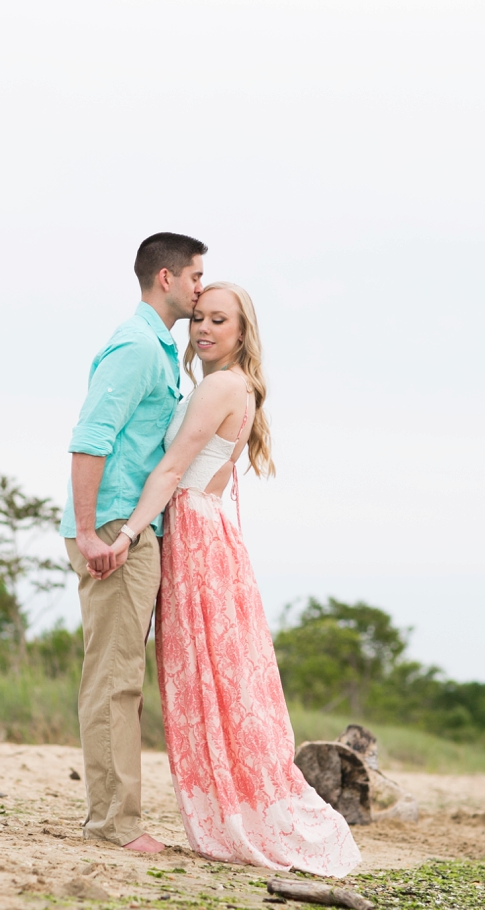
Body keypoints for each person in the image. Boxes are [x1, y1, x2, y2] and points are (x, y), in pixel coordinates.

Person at [96, 283, 361, 876]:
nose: (204, 329)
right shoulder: (232, 386)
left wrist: (128, 532)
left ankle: (237, 812)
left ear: (243, 332)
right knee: (218, 676)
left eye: (220, 320)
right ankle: (231, 805)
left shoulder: (221, 385)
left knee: (211, 677)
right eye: (199, 319)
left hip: (193, 529)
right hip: (206, 530)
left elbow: (171, 468)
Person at [61, 232, 207, 852]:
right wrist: (93, 532)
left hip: (132, 528)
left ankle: (118, 817)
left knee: (126, 678)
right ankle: (114, 826)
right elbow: (91, 437)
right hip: (115, 531)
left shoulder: (160, 350)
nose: (203, 287)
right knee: (114, 677)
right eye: (197, 276)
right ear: (167, 279)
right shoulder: (136, 348)